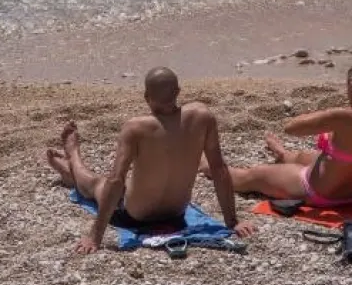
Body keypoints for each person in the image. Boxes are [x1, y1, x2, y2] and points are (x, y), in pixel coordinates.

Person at [46, 66, 255, 254]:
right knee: (114, 185)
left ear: (146, 97)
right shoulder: (203, 117)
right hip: (176, 216)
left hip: (134, 217)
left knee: (96, 185)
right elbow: (219, 169)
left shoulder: (136, 128)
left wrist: (95, 237)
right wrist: (232, 221)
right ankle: (68, 169)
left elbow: (115, 181)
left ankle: (73, 158)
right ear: (178, 92)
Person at [202, 59, 352, 220]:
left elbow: (291, 127)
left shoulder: (344, 117)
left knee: (250, 176)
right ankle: (283, 155)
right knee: (307, 156)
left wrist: (326, 119)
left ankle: (204, 165)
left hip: (319, 193)